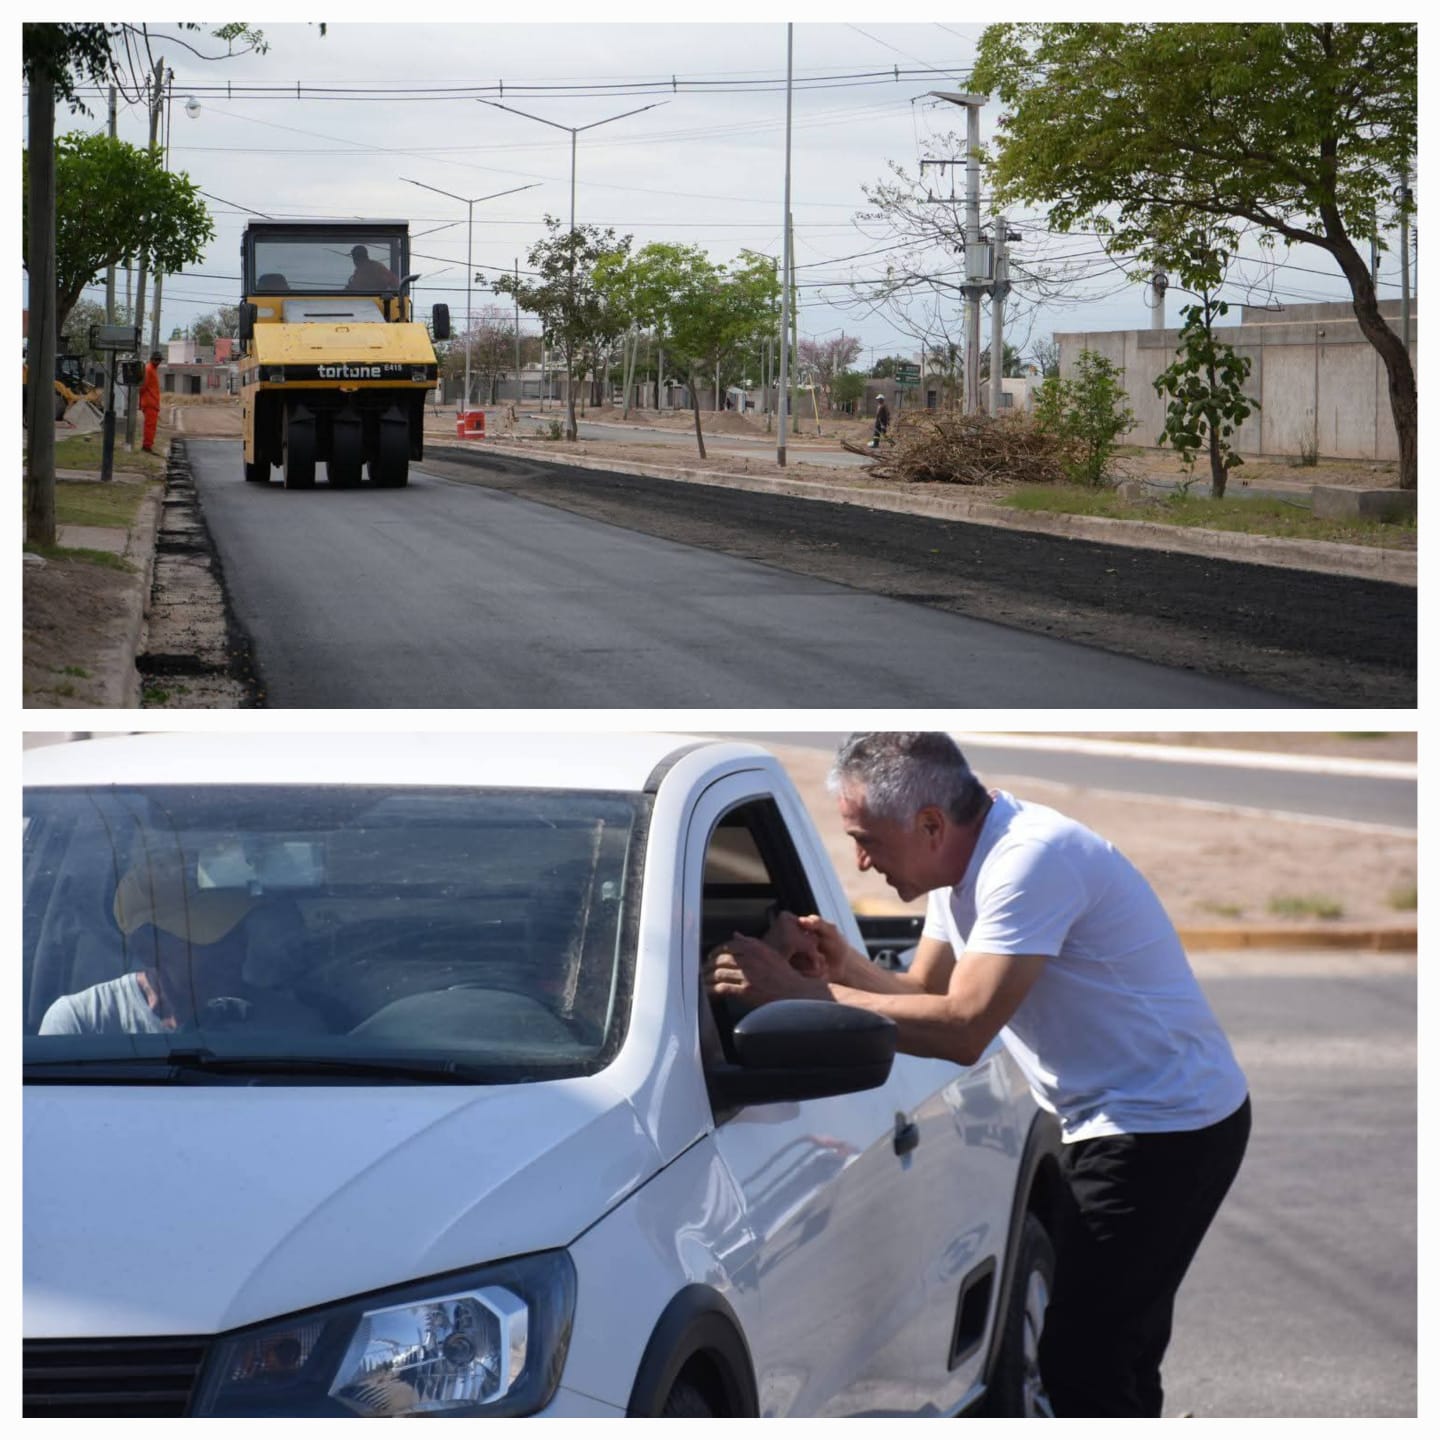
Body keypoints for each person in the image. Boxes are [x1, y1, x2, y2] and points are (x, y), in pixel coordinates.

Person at [705, 731, 1251, 1419]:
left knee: (1084, 1364)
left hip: (1162, 1125)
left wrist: (800, 996)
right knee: (1113, 1357)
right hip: (1123, 1117)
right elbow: (924, 991)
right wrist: (840, 970)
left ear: (931, 825)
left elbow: (964, 1030)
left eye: (866, 839)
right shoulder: (957, 863)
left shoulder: (1029, 861)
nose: (861, 862)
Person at [39, 855, 326, 1037]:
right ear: (146, 947)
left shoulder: (294, 1030)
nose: (233, 950)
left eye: (236, 930)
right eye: (209, 936)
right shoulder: (82, 1024)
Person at [140, 350, 162, 453]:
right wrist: (144, 400)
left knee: (151, 426)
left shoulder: (152, 369)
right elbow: (143, 386)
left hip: (152, 402)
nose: (158, 362)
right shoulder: (149, 369)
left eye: (159, 360)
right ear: (151, 359)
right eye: (156, 360)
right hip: (149, 402)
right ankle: (147, 446)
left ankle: (148, 445)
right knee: (150, 425)